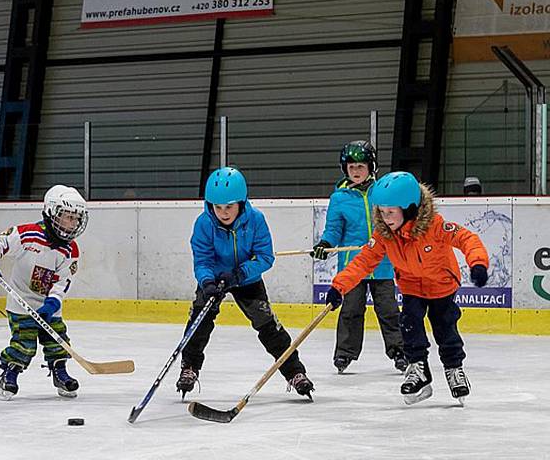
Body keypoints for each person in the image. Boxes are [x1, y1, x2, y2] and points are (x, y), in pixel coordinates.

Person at [325, 172, 489, 405]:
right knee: (409, 323)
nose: (385, 217)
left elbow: (467, 239)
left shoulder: (435, 225)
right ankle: (418, 368)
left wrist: (478, 264)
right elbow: (363, 261)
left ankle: (454, 369)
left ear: (410, 208)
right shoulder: (384, 235)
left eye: (391, 211)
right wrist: (338, 287)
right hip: (411, 286)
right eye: (381, 211)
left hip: (442, 285)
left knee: (445, 327)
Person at [176, 166, 315, 400]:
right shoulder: (203, 223)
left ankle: (295, 372)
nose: (223, 212)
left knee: (269, 325)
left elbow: (265, 257)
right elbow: (202, 259)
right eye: (217, 207)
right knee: (199, 322)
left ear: (241, 201)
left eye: (229, 206)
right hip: (214, 279)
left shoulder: (256, 220)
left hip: (246, 279)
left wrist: (240, 274)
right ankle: (189, 367)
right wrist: (207, 281)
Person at [0, 185, 88, 400]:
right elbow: (1, 241)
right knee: (24, 343)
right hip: (21, 303)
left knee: (57, 340)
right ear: (52, 213)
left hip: (48, 306)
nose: (74, 223)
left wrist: (53, 303)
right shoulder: (28, 234)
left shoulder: (70, 250)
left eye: (77, 218)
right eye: (68, 217)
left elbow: (63, 282)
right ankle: (9, 374)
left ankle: (60, 372)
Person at [312, 141, 405, 373]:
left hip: (382, 263)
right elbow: (333, 229)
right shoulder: (339, 198)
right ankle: (345, 353)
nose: (355, 171)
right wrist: (325, 244)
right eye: (351, 166)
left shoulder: (383, 192)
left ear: (371, 167)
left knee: (389, 310)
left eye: (360, 166)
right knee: (351, 310)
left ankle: (400, 351)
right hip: (353, 265)